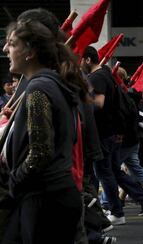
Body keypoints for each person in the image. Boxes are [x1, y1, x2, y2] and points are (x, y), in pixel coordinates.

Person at [1, 18, 88, 243]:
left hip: (44, 200)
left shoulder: (38, 89)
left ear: (30, 52)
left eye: (12, 43)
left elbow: (40, 151)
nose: (5, 49)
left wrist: (15, 181)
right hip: (56, 195)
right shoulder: (55, 83)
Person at [81, 46, 143, 224]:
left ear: (88, 60)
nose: (79, 64)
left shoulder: (96, 77)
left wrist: (80, 103)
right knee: (113, 170)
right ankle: (142, 198)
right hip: (112, 133)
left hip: (104, 134)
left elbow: (98, 103)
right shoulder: (106, 74)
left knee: (104, 172)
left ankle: (116, 212)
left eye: (81, 60)